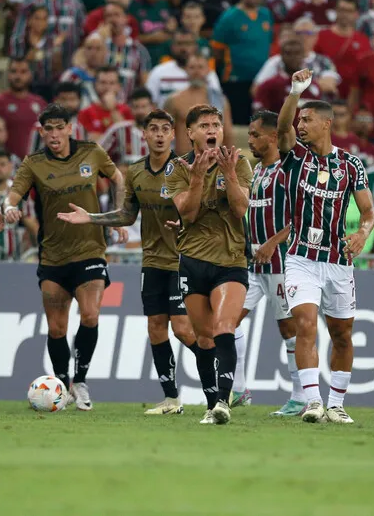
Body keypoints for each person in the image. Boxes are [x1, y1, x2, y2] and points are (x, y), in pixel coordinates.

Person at [58, 109, 199, 415]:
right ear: (144, 135)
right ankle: (171, 399)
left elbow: (198, 210)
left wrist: (188, 225)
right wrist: (91, 218)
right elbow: (127, 215)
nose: (159, 135)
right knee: (156, 329)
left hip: (182, 260)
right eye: (154, 129)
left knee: (183, 330)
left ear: (173, 134)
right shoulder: (135, 172)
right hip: (152, 262)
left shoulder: (185, 169)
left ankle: (219, 374)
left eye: (165, 129)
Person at [0, 103, 124, 411]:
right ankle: (62, 384)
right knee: (57, 329)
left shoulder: (91, 152)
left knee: (90, 315)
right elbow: (14, 194)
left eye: (59, 127)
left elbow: (118, 178)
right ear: (41, 132)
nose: (53, 134)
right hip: (53, 256)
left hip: (90, 250)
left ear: (69, 128)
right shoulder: (34, 163)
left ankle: (81, 381)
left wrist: (116, 215)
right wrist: (9, 208)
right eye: (47, 129)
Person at [277, 71, 374, 425]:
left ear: (326, 124)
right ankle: (313, 402)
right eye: (300, 120)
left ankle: (336, 404)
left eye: (307, 120)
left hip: (338, 262)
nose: (300, 125)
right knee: (305, 325)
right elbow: (282, 129)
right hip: (301, 258)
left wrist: (362, 233)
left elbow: (368, 212)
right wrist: (295, 92)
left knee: (342, 335)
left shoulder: (350, 164)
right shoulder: (295, 157)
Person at [164, 104, 253, 425]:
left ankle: (224, 402)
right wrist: (198, 177)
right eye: (204, 125)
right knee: (203, 338)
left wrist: (229, 175)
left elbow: (241, 210)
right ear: (190, 133)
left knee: (225, 327)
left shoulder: (239, 163)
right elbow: (187, 214)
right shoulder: (177, 169)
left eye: (216, 124)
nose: (212, 130)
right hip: (193, 261)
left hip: (231, 261)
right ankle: (211, 402)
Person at [243, 110, 302, 416]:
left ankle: (300, 396)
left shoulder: (287, 171)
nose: (250, 140)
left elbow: (301, 217)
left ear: (272, 136)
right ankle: (238, 389)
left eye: (255, 135)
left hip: (281, 263)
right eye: (249, 135)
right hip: (253, 265)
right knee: (227, 321)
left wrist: (272, 242)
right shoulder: (256, 170)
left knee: (289, 330)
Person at [212, 0, 273, 126]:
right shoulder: (229, 17)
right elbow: (217, 50)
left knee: (260, 125)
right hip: (236, 81)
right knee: (239, 124)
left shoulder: (266, 15)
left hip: (261, 80)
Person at [0, 59, 48, 160]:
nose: (18, 76)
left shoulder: (40, 103)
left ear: (30, 75)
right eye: (14, 71)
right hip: (5, 165)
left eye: (23, 72)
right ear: (8, 74)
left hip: (34, 164)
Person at [164, 54, 233, 153]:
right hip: (182, 159)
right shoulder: (174, 100)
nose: (196, 71)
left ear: (208, 70)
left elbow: (227, 132)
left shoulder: (219, 99)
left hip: (213, 159)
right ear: (186, 70)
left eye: (200, 67)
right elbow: (165, 133)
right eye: (192, 67)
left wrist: (229, 158)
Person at [145, 29, 222, 108]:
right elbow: (149, 103)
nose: (183, 48)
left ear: (196, 46)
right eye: (179, 43)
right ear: (172, 46)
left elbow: (218, 104)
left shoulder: (208, 73)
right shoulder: (159, 72)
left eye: (188, 43)